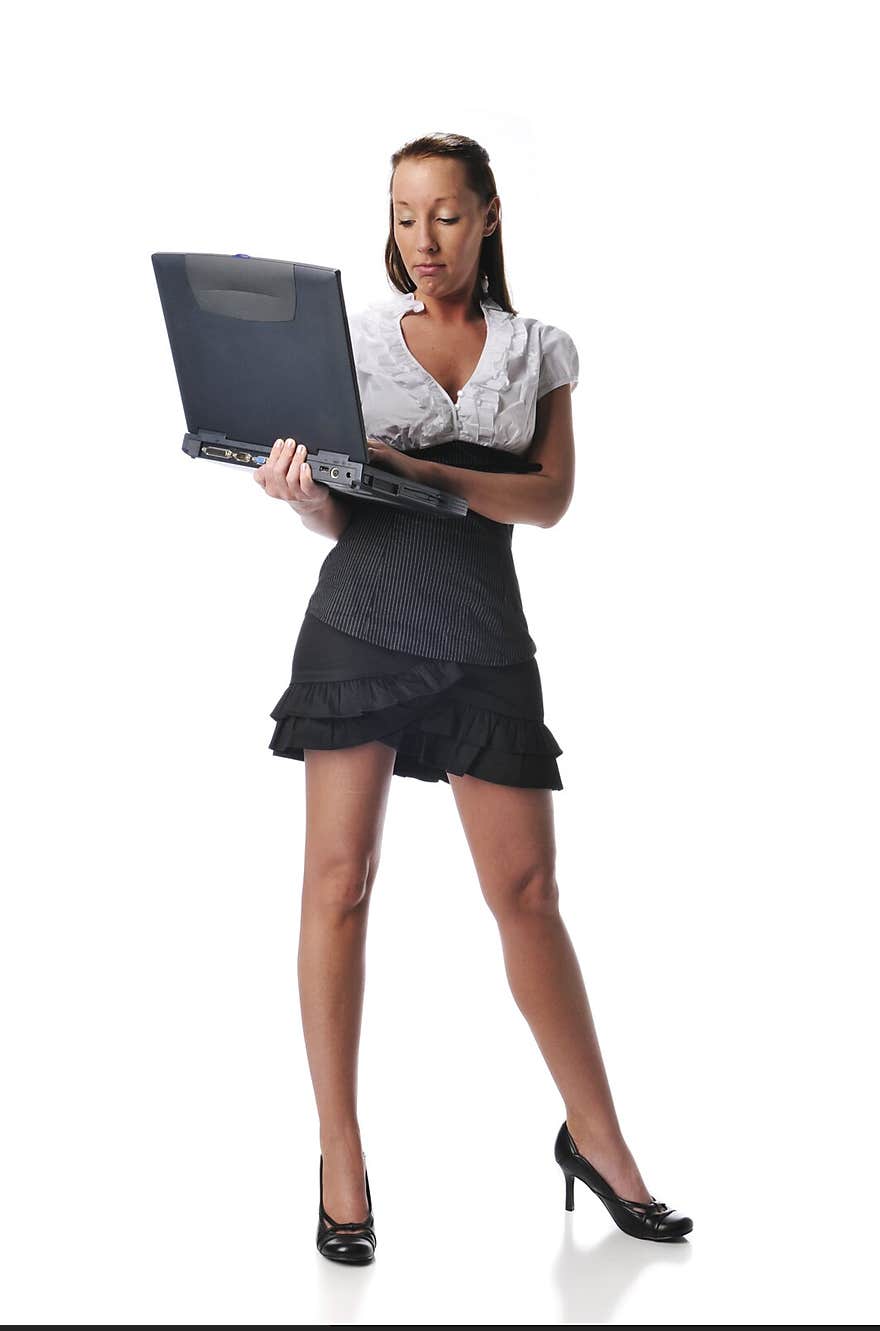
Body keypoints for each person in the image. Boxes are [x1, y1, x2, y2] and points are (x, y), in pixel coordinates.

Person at [253, 133, 693, 1264]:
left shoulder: (537, 348)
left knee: (530, 894)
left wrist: (428, 470)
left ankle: (597, 1144)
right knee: (340, 885)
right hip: (360, 621)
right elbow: (346, 514)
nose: (422, 241)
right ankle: (339, 1159)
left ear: (488, 215)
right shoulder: (347, 344)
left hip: (483, 635)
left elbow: (547, 501)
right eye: (403, 216)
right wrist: (305, 498)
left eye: (443, 215)